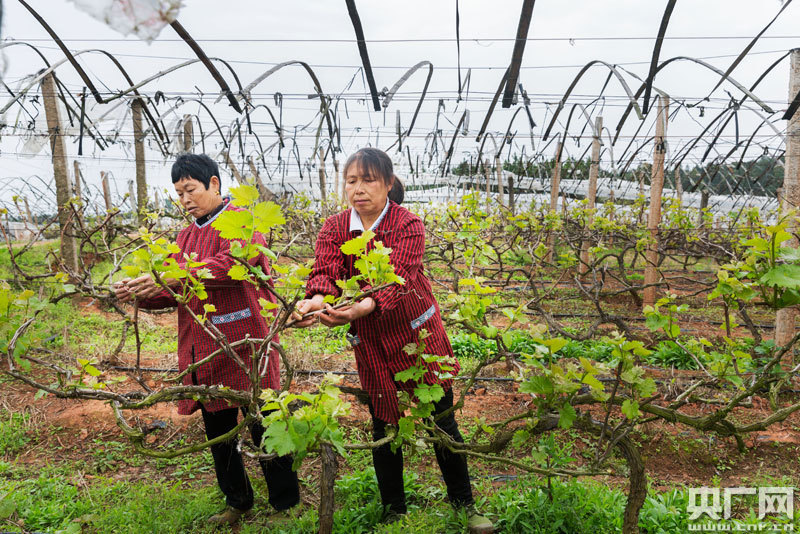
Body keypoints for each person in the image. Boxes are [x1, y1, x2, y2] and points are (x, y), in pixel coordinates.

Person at [294, 148, 494, 533]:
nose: (358, 189)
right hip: (371, 341)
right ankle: (394, 510)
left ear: (388, 183)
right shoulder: (334, 228)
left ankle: (465, 505)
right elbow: (324, 274)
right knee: (383, 422)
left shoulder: (408, 225)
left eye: (368, 180)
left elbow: (396, 279)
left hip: (418, 335)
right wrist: (314, 302)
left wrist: (356, 309)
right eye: (351, 181)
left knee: (441, 420)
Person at [114, 153, 300, 527]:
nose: (185, 199)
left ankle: (285, 503)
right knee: (218, 431)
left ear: (214, 184)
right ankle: (238, 501)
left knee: (265, 421)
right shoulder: (185, 236)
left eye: (191, 190)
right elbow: (174, 291)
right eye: (179, 193)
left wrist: (174, 274)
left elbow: (229, 267)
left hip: (246, 342)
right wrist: (141, 290)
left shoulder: (241, 224)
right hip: (203, 348)